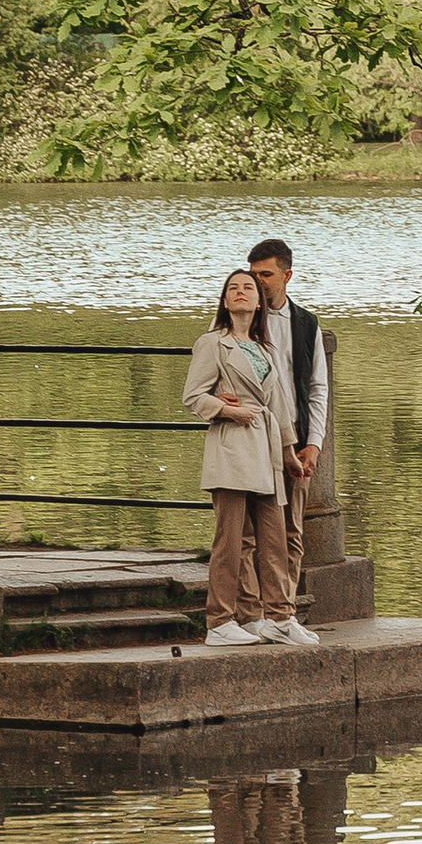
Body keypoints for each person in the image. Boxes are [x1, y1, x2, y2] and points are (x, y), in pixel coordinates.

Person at [182, 268, 315, 647]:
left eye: (248, 289)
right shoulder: (212, 343)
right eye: (233, 289)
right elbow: (193, 396)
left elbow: (279, 403)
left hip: (267, 451)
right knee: (230, 540)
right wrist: (227, 411)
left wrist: (290, 453)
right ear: (225, 301)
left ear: (259, 302)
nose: (240, 293)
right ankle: (219, 621)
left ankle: (279, 617)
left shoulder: (264, 349)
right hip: (233, 449)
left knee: (274, 539)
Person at [246, 238, 327, 594]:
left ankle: (285, 606)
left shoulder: (306, 324)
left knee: (291, 526)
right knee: (249, 530)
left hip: (294, 433)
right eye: (253, 274)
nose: (258, 281)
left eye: (266, 274)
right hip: (251, 434)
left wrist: (314, 444)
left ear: (286, 275)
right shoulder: (239, 318)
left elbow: (317, 387)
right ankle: (251, 608)